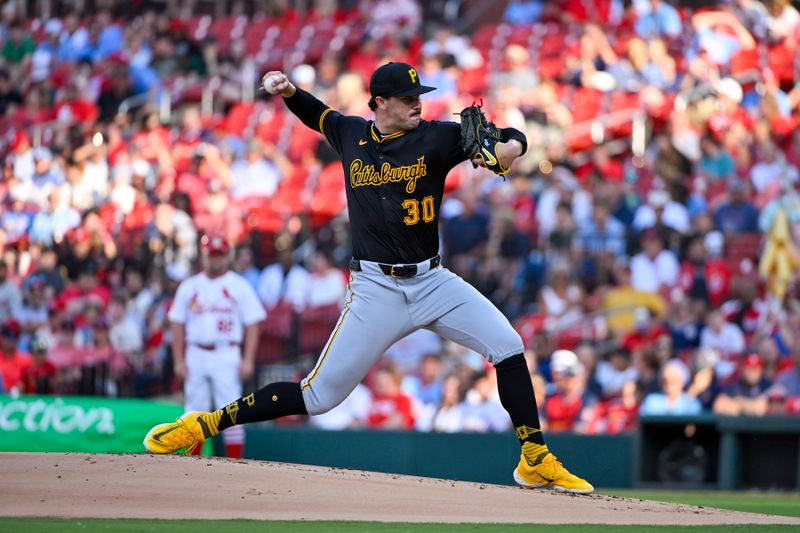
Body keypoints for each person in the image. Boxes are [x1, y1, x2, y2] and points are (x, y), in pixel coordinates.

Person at [144, 62, 592, 493]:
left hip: (433, 282)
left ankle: (534, 459)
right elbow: (318, 115)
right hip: (377, 289)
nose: (417, 103)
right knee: (319, 396)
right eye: (406, 97)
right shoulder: (352, 133)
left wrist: (508, 149)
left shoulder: (437, 137)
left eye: (419, 96)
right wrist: (288, 93)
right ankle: (202, 424)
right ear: (379, 101)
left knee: (509, 347)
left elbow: (512, 138)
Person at [153, 234, 265, 458]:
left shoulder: (238, 285)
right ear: (204, 255)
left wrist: (248, 359)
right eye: (211, 254)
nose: (215, 259)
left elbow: (254, 322)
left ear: (227, 256)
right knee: (194, 411)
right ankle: (192, 464)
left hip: (226, 351)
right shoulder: (190, 286)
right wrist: (179, 360)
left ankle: (235, 463)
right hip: (196, 352)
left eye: (219, 254)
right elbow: (176, 323)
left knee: (232, 410)